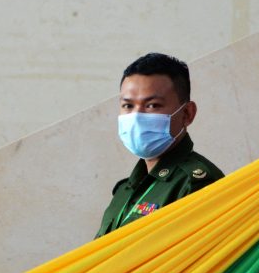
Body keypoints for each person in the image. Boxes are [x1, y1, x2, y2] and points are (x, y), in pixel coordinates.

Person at [96, 52, 224, 237]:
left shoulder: (196, 185)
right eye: (128, 106)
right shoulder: (125, 190)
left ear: (187, 114)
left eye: (152, 105)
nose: (137, 117)